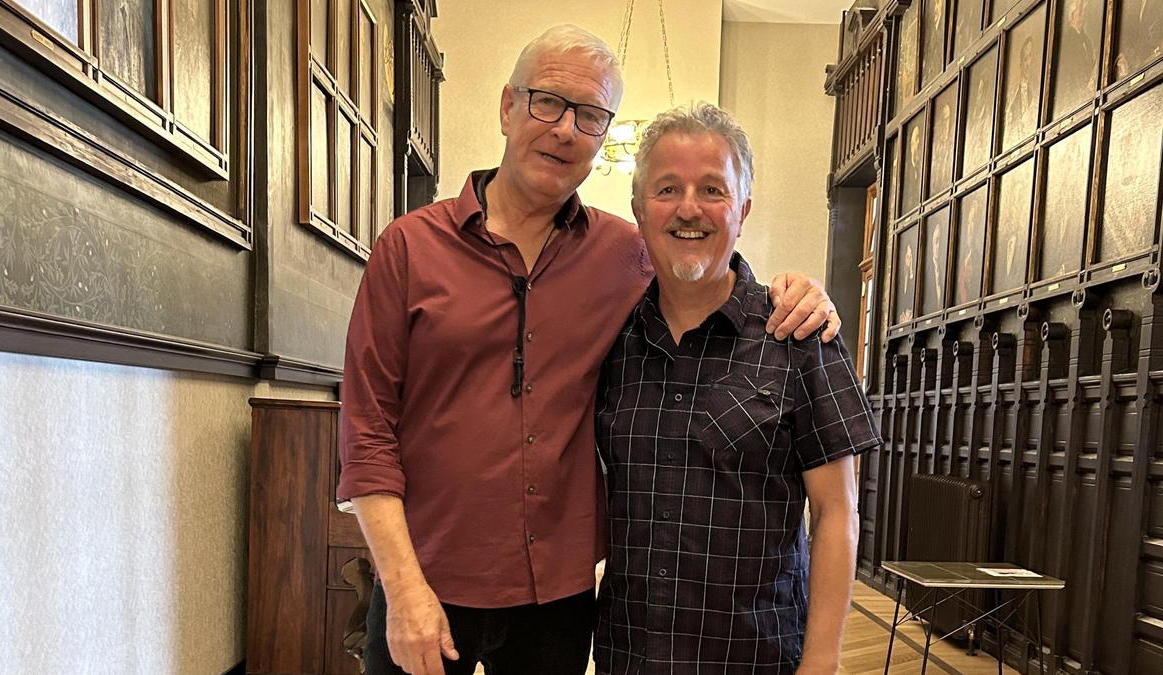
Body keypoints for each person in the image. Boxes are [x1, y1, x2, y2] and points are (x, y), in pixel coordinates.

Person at [337, 26, 842, 675]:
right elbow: (366, 433)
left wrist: (798, 292)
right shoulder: (408, 248)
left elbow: (708, 269)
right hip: (425, 580)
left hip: (559, 597)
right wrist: (402, 588)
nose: (566, 129)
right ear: (506, 106)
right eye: (547, 102)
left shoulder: (624, 253)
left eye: (591, 114)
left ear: (603, 135)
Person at [595, 103, 881, 674]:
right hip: (631, 652)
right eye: (668, 188)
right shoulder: (608, 340)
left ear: (743, 209)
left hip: (758, 654)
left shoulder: (800, 336)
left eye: (712, 190)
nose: (689, 209)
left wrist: (822, 661)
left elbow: (835, 511)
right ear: (638, 210)